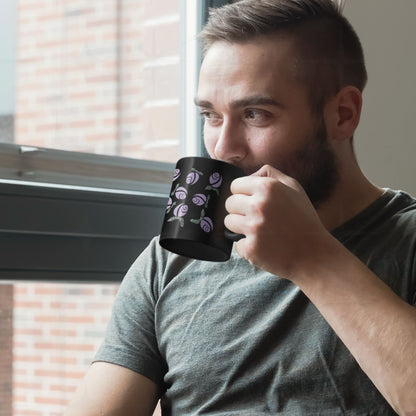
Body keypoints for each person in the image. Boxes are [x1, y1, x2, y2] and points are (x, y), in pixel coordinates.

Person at [65, 0, 416, 415]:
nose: (223, 147)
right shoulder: (166, 261)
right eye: (211, 116)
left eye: (255, 114)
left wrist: (313, 257)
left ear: (343, 114)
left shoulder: (406, 240)